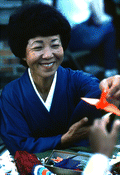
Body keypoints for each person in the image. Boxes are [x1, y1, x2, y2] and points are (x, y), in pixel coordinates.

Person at [0, 2, 120, 156]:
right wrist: (63, 139)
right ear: (22, 53)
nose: (49, 55)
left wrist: (112, 88)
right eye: (38, 47)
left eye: (55, 45)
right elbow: (18, 145)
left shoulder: (78, 80)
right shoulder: (11, 95)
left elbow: (98, 92)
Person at [56, 0, 119, 78]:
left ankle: (91, 65)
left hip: (62, 38)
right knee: (108, 28)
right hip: (77, 37)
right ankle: (111, 69)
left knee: (95, 28)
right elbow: (99, 18)